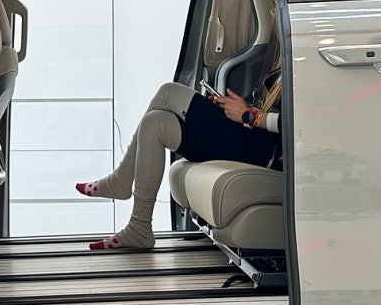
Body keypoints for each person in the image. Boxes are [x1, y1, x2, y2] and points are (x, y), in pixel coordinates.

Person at [76, 37, 282, 250]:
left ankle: (121, 179)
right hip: (256, 139)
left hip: (269, 154)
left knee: (168, 92)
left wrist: (250, 116)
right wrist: (247, 113)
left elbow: (298, 126)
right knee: (155, 123)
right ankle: (139, 226)